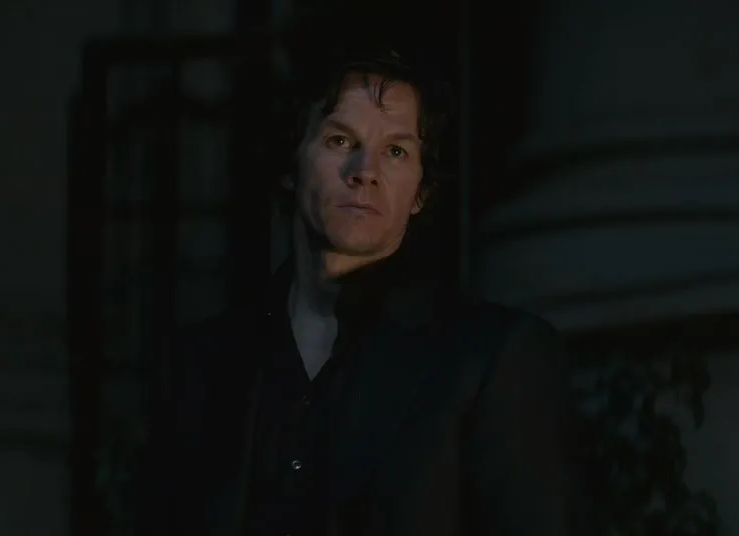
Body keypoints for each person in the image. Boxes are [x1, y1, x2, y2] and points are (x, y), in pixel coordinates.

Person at [135, 48, 581, 536]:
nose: (365, 170)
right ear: (290, 166)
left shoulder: (491, 358)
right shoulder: (198, 367)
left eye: (396, 151)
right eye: (340, 139)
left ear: (420, 191)